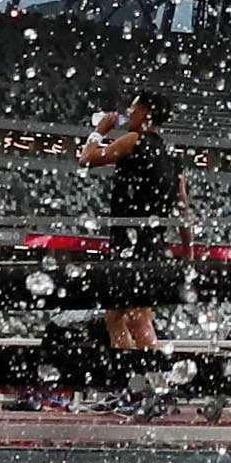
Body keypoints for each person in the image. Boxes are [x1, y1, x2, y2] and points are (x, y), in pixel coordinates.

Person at [78, 93, 188, 357]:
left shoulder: (134, 140)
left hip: (131, 242)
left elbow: (86, 159)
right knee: (115, 316)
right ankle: (131, 381)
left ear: (145, 114)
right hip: (152, 243)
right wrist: (189, 248)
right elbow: (182, 205)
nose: (128, 112)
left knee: (138, 316)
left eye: (133, 108)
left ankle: (153, 378)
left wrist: (99, 131)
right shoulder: (171, 154)